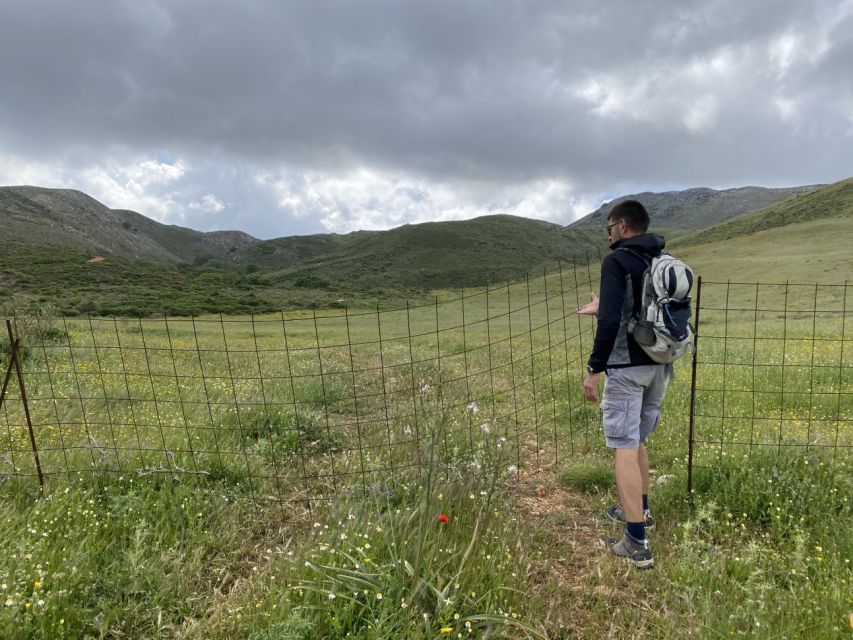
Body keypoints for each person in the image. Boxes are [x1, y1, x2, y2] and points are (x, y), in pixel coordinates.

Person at [576, 199, 671, 570]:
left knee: (624, 447)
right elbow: (637, 308)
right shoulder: (660, 258)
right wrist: (605, 304)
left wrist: (594, 368)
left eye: (609, 226)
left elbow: (614, 321)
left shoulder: (616, 261)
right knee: (639, 440)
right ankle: (641, 512)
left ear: (623, 225)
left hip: (627, 366)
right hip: (659, 365)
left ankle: (636, 541)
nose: (609, 233)